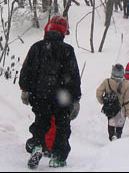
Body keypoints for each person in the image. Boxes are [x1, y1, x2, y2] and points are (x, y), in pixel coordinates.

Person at [19, 15, 82, 168]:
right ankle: (59, 157)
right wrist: (75, 99)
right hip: (62, 97)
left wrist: (25, 89)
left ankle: (38, 146)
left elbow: (26, 70)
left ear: (48, 28)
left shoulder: (37, 47)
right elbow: (73, 76)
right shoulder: (67, 50)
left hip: (40, 94)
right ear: (63, 32)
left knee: (41, 122)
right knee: (62, 126)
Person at [96, 64, 129, 141]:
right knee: (119, 125)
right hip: (121, 108)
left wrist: (103, 101)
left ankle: (111, 136)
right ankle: (117, 136)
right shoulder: (126, 83)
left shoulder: (107, 81)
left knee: (111, 123)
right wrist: (128, 111)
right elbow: (127, 99)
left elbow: (98, 93)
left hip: (110, 107)